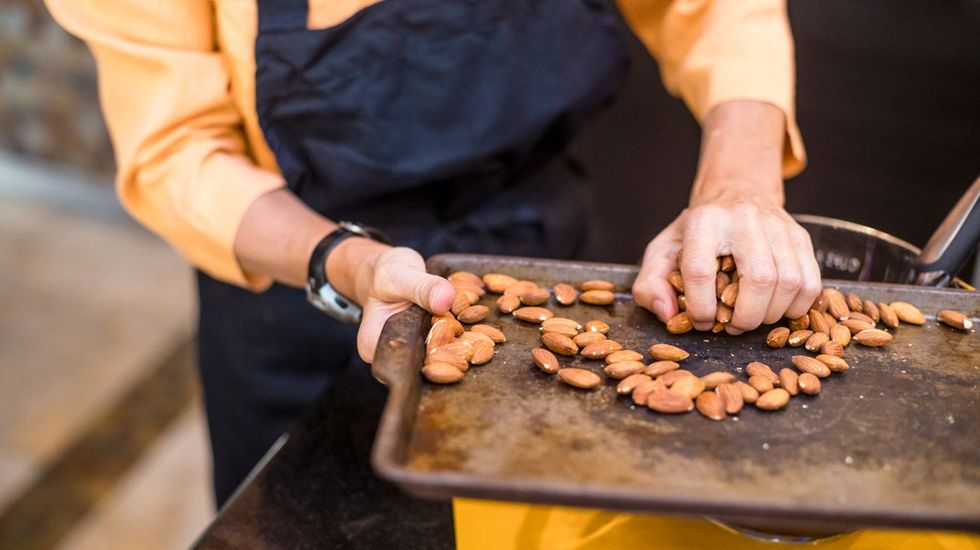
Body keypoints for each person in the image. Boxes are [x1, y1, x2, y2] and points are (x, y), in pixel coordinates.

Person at [48, 0, 976, 548]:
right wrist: (348, 261)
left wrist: (740, 182)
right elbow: (177, 152)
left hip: (538, 259)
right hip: (303, 289)